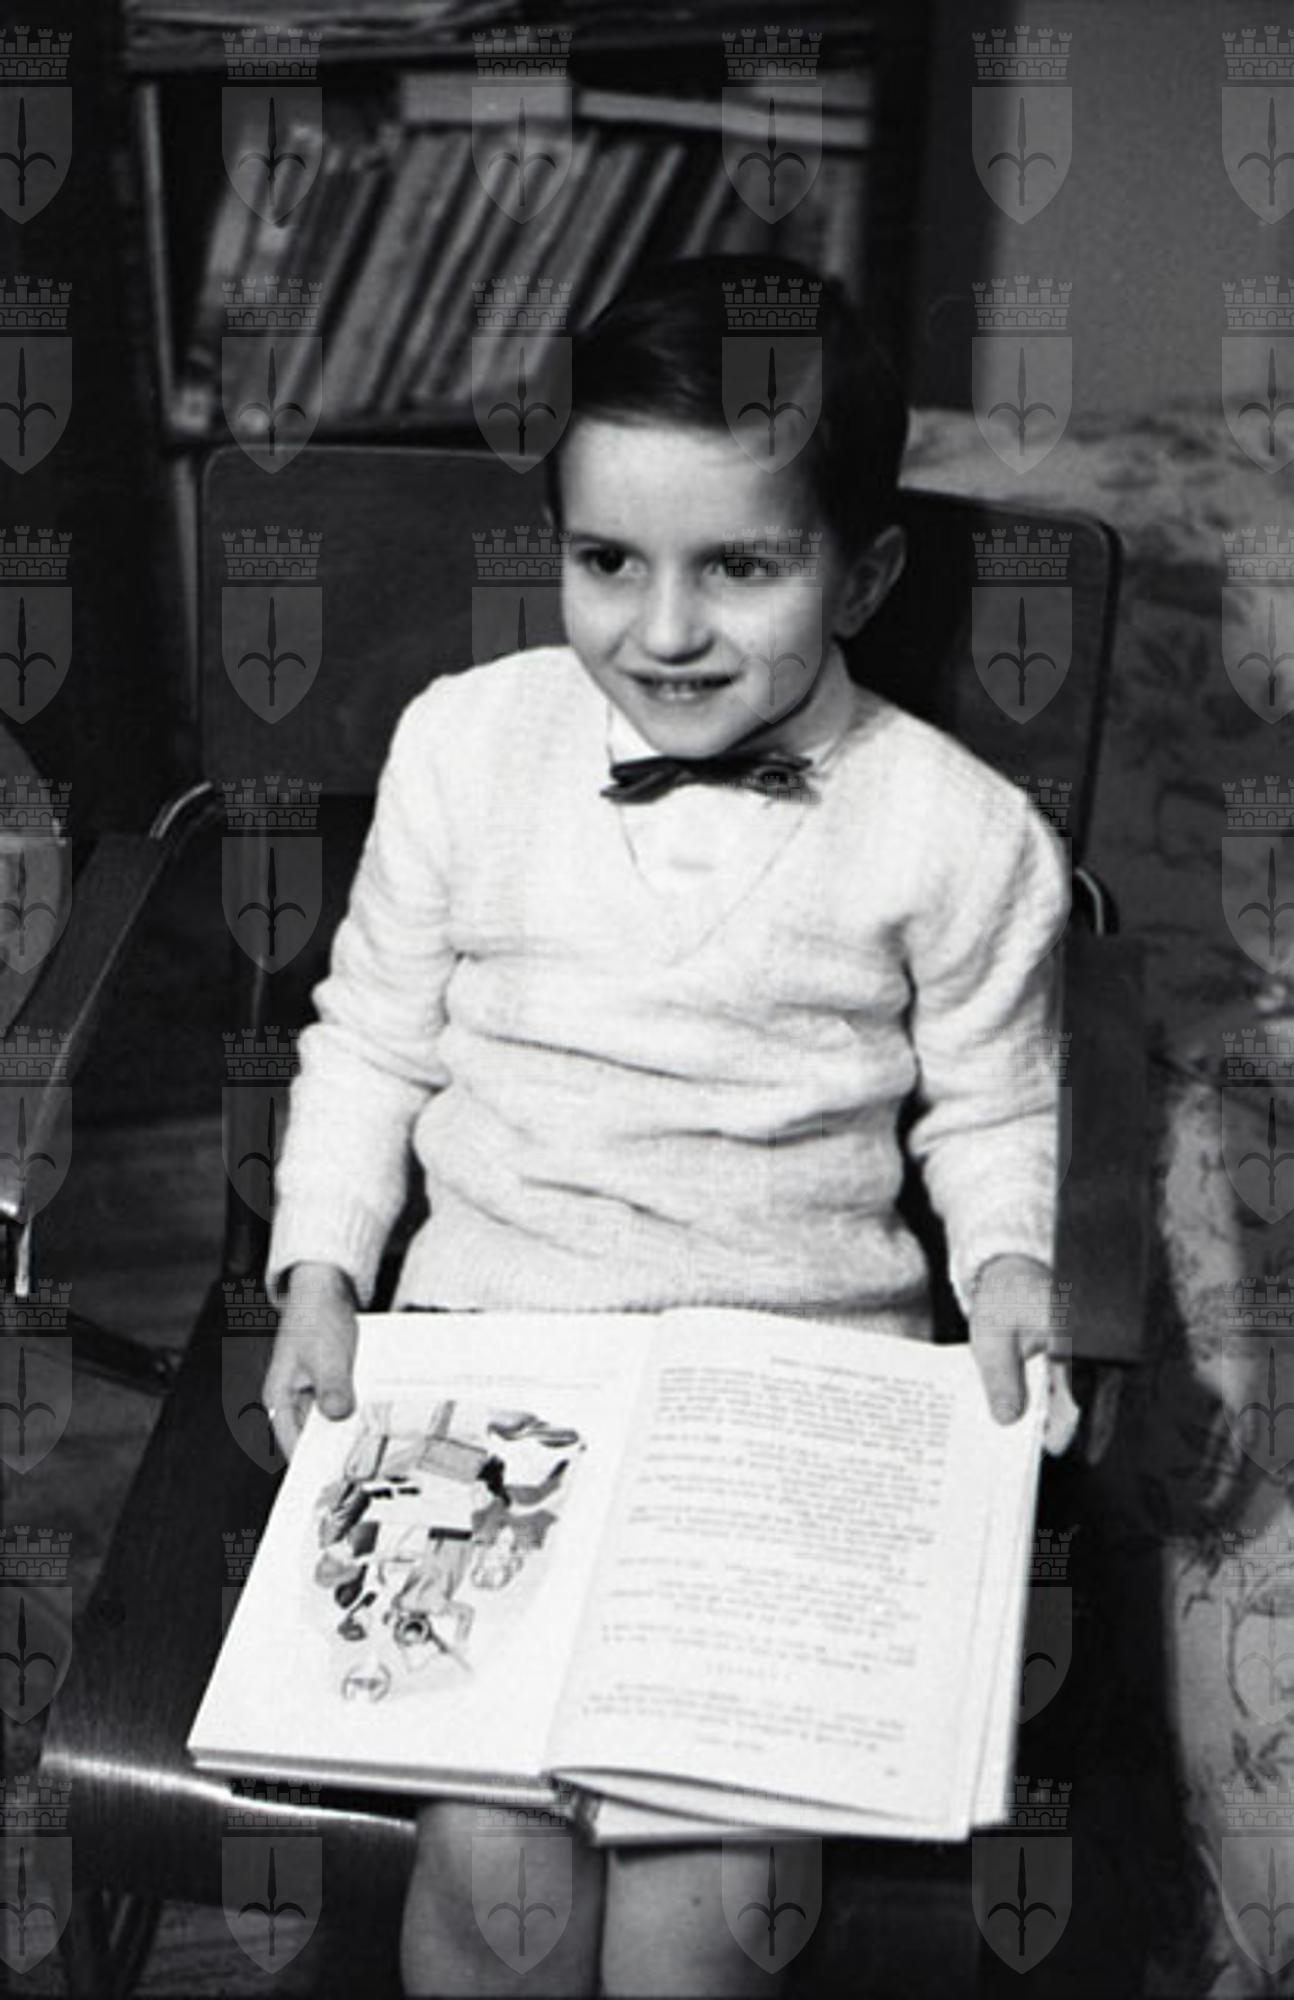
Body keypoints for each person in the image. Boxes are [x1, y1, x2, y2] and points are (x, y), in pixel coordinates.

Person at [261, 253, 1069, 1996]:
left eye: (741, 568)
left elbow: (995, 1098)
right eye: (607, 561)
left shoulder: (960, 830)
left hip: (787, 1395)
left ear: (863, 575)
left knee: (702, 1914)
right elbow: (369, 1038)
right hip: (500, 1354)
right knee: (491, 1877)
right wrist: (320, 1268)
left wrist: (1008, 1266)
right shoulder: (462, 745)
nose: (664, 629)